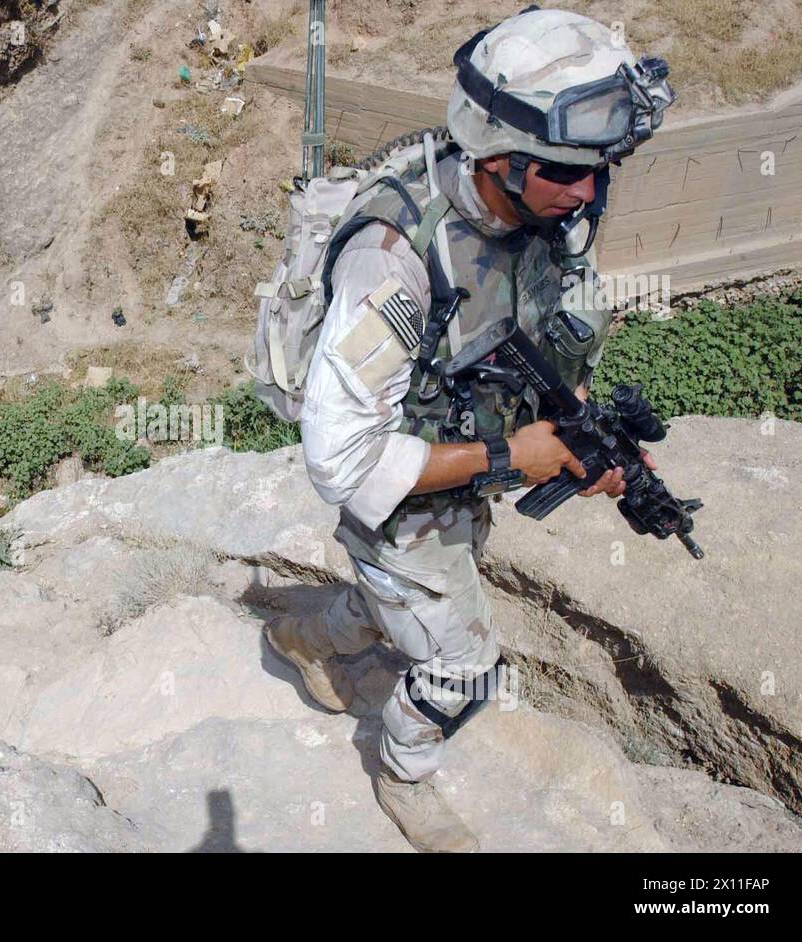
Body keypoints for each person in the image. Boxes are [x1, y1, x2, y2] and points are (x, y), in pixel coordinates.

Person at [264, 6, 674, 851]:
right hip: (402, 496)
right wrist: (507, 455)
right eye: (571, 171)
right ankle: (402, 771)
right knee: (464, 666)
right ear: (501, 157)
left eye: (601, 169)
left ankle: (307, 637)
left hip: (460, 470)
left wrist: (581, 443)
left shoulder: (541, 215)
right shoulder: (394, 261)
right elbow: (341, 461)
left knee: (398, 601)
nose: (591, 192)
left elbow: (543, 338)